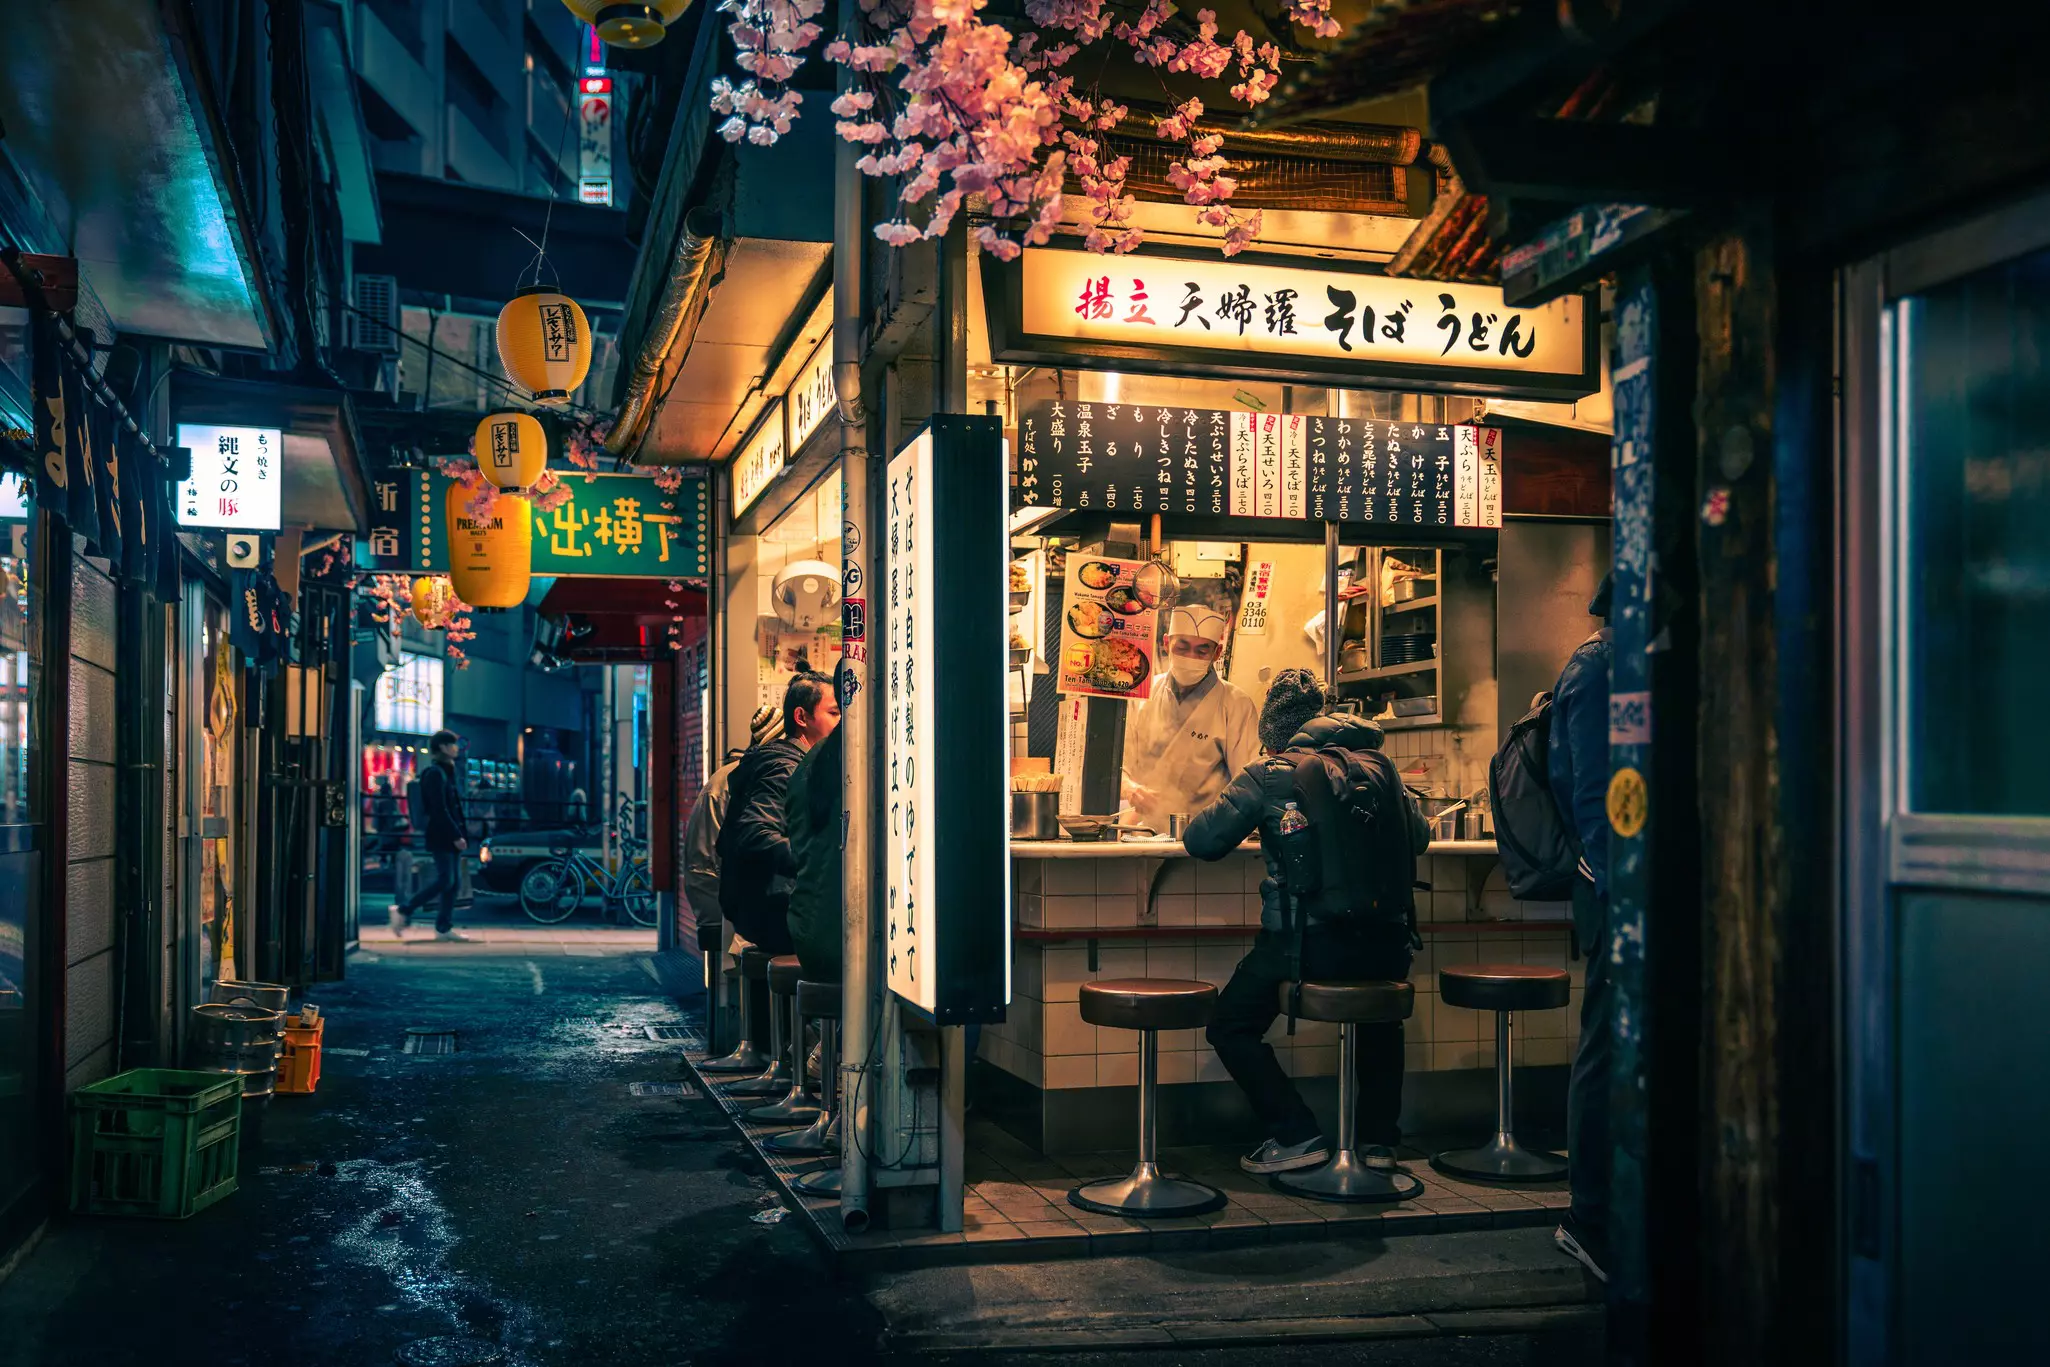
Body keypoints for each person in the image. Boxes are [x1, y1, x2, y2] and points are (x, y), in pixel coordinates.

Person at [1184, 670, 1429, 1174]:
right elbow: (1420, 839)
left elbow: (1202, 841)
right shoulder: (1382, 769)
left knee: (1230, 1026)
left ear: (1276, 729)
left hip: (1305, 945)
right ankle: (1380, 1143)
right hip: (1388, 942)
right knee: (1380, 1021)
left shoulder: (1270, 772)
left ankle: (1296, 1133)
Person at [1552, 573, 1614, 1283]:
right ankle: (1589, 1215)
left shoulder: (1618, 668)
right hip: (1616, 896)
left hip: (1627, 888)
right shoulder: (1597, 672)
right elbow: (1596, 798)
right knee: (1604, 1046)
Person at [718, 672, 840, 962]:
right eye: (834, 713)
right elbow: (756, 833)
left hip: (760, 910)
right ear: (802, 717)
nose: (842, 723)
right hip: (773, 912)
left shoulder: (799, 763)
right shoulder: (786, 767)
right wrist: (817, 861)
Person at [1121, 603, 1261, 829]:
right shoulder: (1142, 693)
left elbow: (1247, 782)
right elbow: (1120, 765)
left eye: (1201, 651)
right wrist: (1130, 789)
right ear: (1166, 643)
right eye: (1182, 647)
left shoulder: (1236, 704)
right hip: (1142, 830)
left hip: (1205, 833)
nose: (1190, 657)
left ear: (1217, 652)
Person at [683, 707, 782, 956]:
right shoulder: (741, 780)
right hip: (727, 907)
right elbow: (711, 857)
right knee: (739, 983)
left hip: (725, 903)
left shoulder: (735, 777)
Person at [391, 730, 471, 942]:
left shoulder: (447, 771)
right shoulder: (435, 774)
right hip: (441, 835)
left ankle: (443, 928)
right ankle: (405, 909)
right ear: (443, 747)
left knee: (453, 882)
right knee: (446, 880)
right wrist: (456, 835)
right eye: (452, 745)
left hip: (448, 833)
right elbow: (439, 809)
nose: (456, 748)